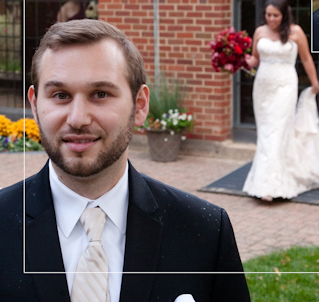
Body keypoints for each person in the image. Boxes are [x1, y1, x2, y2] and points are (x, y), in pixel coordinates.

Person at [0, 19, 250, 301]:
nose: (78, 118)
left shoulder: (204, 232)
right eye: (60, 95)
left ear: (140, 105)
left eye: (100, 94)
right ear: (35, 105)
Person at [242, 0, 319, 201]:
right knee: (266, 133)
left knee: (277, 130)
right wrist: (236, 57)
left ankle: (269, 187)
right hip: (263, 88)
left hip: (285, 86)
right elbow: (255, 59)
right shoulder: (259, 32)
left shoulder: (296, 32)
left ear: (284, 15)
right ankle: (268, 180)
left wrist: (315, 82)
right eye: (268, 15)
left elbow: (307, 59)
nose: (271, 19)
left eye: (275, 15)